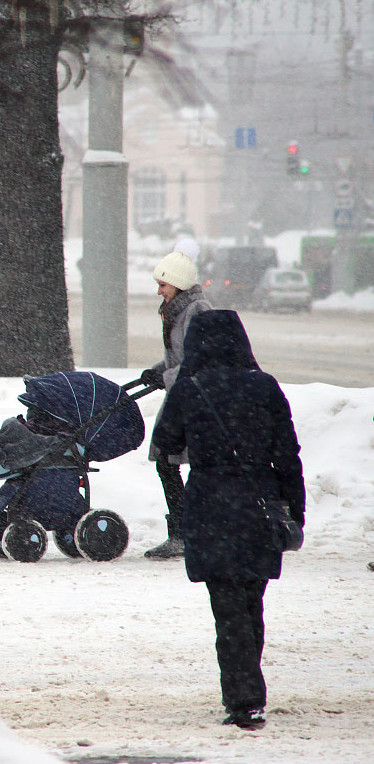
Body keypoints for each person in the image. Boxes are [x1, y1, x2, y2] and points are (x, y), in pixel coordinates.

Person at [152, 309, 305, 731]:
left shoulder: (190, 388)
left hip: (211, 509)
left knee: (228, 610)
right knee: (250, 606)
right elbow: (287, 455)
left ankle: (243, 701)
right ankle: (248, 692)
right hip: (259, 508)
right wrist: (295, 509)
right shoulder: (265, 387)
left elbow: (166, 442)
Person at [139, 246, 212, 559]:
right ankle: (184, 532)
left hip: (195, 400)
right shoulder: (177, 310)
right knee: (168, 462)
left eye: (163, 285)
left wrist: (167, 378)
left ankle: (187, 533)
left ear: (179, 284)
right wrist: (157, 371)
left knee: (181, 464)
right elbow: (177, 357)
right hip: (180, 395)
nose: (159, 291)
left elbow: (198, 358)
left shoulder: (195, 311)